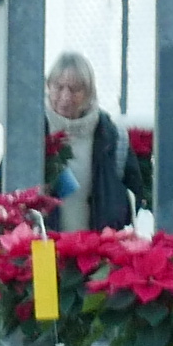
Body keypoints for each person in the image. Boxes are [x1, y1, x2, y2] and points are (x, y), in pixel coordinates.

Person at [45, 53, 135, 231]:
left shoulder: (111, 137)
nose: (65, 96)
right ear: (48, 87)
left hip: (93, 252)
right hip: (42, 250)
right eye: (59, 87)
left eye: (75, 89)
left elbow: (135, 195)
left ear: (89, 92)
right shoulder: (31, 132)